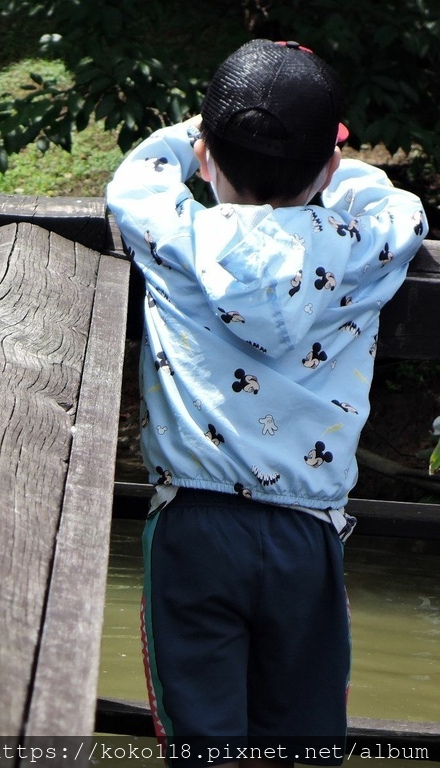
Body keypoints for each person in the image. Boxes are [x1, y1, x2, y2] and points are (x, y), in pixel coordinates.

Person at [106, 40, 427, 766]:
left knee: (203, 740)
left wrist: (201, 135)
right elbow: (398, 205)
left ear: (207, 156)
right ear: (330, 167)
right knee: (304, 737)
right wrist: (330, 166)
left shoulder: (178, 237)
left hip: (194, 522)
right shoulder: (361, 244)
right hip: (305, 533)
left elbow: (139, 177)